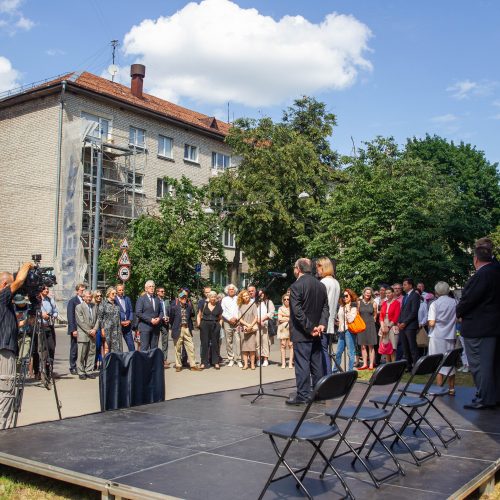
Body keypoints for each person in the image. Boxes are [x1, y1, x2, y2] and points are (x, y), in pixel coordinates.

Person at [456, 238, 500, 410]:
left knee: (480, 365)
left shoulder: (482, 275)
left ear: (475, 259)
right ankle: (493, 396)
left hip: (479, 328)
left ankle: (485, 397)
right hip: (492, 327)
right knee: (492, 365)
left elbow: (469, 300)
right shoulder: (496, 270)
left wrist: (459, 312)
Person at [288, 258, 329, 405]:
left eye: (294, 267)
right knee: (316, 364)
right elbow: (326, 308)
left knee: (302, 364)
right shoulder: (320, 285)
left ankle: (303, 395)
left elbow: (297, 312)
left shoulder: (296, 286)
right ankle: (318, 394)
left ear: (298, 269)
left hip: (303, 332)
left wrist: (310, 328)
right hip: (317, 331)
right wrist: (321, 325)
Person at [0, 262, 32, 429]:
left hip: (4, 349)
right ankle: (3, 431)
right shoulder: (1, 296)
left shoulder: (4, 304)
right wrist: (28, 265)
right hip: (4, 353)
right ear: (5, 285)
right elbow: (18, 281)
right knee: (6, 393)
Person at [427, 281, 458, 395]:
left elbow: (431, 323)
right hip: (450, 335)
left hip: (437, 336)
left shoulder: (434, 304)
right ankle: (451, 388)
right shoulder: (455, 302)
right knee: (450, 362)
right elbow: (459, 319)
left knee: (437, 362)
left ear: (436, 291)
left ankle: (439, 388)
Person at [316, 257, 340, 375]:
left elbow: (320, 303)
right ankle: (328, 375)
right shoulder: (336, 282)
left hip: (322, 321)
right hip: (330, 322)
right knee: (326, 350)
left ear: (323, 267)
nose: (317, 270)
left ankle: (327, 376)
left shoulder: (324, 282)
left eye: (318, 267)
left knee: (322, 351)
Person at [169, 290, 201, 372]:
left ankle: (193, 365)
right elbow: (171, 319)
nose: (184, 299)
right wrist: (175, 326)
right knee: (178, 348)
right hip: (178, 328)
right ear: (179, 298)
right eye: (182, 297)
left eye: (185, 297)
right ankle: (178, 365)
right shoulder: (174, 307)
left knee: (191, 347)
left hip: (187, 328)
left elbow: (191, 316)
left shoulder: (189, 307)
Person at [75, 291, 99, 379]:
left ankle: (89, 370)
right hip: (84, 334)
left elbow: (98, 319)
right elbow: (80, 322)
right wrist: (90, 331)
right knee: (81, 354)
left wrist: (95, 329)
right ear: (83, 297)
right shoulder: (79, 307)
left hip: (93, 333)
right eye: (87, 297)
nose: (89, 298)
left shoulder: (94, 306)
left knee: (91, 353)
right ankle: (81, 372)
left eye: (90, 297)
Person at [397, 278, 421, 370]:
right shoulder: (405, 296)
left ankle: (417, 366)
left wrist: (405, 323)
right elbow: (402, 311)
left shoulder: (415, 295)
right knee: (405, 347)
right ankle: (408, 365)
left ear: (410, 285)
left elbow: (414, 312)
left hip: (410, 326)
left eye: (405, 284)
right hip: (403, 326)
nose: (403, 286)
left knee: (412, 347)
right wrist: (399, 322)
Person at [36, 285, 58, 380]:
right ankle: (41, 370)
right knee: (42, 350)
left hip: (49, 326)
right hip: (40, 327)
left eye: (48, 288)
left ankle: (50, 370)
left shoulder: (50, 300)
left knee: (51, 348)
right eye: (45, 288)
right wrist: (41, 314)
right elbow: (33, 312)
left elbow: (55, 311)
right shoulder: (37, 300)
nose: (47, 290)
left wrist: (52, 315)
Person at [197, 291, 223, 369]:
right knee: (205, 344)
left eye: (214, 297)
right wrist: (199, 324)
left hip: (215, 325)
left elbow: (221, 318)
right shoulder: (204, 304)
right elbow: (199, 315)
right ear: (209, 297)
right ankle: (203, 362)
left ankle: (215, 362)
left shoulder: (218, 306)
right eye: (211, 297)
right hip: (204, 324)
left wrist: (219, 326)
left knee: (215, 344)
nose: (213, 298)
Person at [135, 280, 163, 351]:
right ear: (146, 289)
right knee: (144, 349)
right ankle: (143, 362)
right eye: (150, 286)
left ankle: (153, 362)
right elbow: (138, 313)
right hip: (145, 328)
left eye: (153, 286)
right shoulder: (141, 299)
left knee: (154, 349)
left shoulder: (157, 299)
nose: (152, 288)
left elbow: (161, 311)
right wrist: (150, 320)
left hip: (155, 328)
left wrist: (159, 319)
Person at [335, 289, 358, 372]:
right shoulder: (341, 306)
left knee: (350, 352)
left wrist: (348, 309)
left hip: (349, 331)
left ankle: (350, 371)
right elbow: (340, 319)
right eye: (343, 296)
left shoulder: (353, 307)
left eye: (346, 296)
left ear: (351, 296)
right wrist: (337, 322)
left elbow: (351, 319)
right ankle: (334, 370)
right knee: (338, 352)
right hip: (341, 330)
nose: (344, 298)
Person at [67, 283, 86, 375]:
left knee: (84, 348)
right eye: (82, 290)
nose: (83, 292)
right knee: (74, 348)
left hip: (85, 329)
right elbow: (71, 316)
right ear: (77, 291)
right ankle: (73, 366)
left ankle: (82, 366)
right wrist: (73, 329)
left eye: (84, 290)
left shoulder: (86, 301)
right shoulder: (73, 301)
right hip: (76, 329)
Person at [357, 287, 378, 370]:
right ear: (364, 293)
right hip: (362, 326)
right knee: (363, 346)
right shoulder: (359, 302)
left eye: (369, 293)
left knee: (371, 346)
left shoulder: (374, 303)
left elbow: (375, 315)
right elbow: (358, 314)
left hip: (370, 325)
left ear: (371, 294)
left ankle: (371, 364)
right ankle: (365, 364)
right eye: (366, 293)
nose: (368, 294)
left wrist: (373, 320)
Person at [378, 286, 400, 362]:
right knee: (386, 348)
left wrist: (388, 326)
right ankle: (388, 365)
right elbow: (381, 316)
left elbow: (396, 317)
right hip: (384, 324)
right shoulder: (384, 303)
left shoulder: (397, 303)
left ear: (393, 293)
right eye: (386, 293)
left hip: (392, 326)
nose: (387, 294)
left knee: (393, 348)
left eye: (389, 293)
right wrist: (382, 326)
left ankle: (393, 365)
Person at [221, 284, 241, 367]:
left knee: (238, 340)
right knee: (229, 341)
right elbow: (223, 311)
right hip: (227, 322)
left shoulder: (239, 298)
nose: (231, 290)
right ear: (227, 291)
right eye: (230, 289)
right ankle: (231, 359)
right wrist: (230, 319)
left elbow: (241, 309)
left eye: (233, 289)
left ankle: (239, 359)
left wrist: (236, 318)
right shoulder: (224, 299)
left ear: (235, 290)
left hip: (238, 322)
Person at [237, 289, 257, 370]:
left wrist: (251, 325)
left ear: (249, 296)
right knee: (244, 348)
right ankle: (245, 364)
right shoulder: (240, 305)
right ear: (242, 297)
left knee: (252, 348)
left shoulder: (253, 305)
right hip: (244, 328)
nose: (246, 297)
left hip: (251, 329)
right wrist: (247, 325)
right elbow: (240, 318)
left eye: (247, 295)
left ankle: (252, 364)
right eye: (244, 296)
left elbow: (256, 317)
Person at [99, 287, 122, 354]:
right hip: (107, 330)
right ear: (108, 294)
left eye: (116, 293)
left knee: (116, 348)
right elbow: (100, 318)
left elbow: (118, 317)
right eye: (113, 293)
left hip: (116, 330)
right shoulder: (103, 303)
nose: (115, 295)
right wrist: (102, 329)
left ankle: (115, 364)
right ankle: (106, 363)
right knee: (106, 348)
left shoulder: (117, 304)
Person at [255, 290, 275, 367]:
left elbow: (271, 312)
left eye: (262, 293)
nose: (261, 294)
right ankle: (259, 359)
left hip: (266, 325)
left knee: (265, 342)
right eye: (259, 293)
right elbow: (253, 313)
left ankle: (266, 359)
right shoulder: (255, 303)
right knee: (257, 343)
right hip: (256, 325)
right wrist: (258, 320)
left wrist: (262, 319)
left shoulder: (269, 302)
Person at [115, 284, 134, 352]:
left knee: (131, 345)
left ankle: (132, 360)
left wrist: (129, 320)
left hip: (128, 325)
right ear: (116, 291)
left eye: (122, 290)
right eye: (119, 290)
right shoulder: (114, 300)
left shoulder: (127, 299)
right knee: (118, 345)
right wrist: (120, 322)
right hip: (119, 325)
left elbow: (131, 311)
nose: (121, 291)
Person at [277, 293, 293, 369]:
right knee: (283, 345)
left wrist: (285, 316)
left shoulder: (293, 308)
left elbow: (294, 319)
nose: (286, 300)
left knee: (291, 345)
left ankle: (290, 363)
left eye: (288, 299)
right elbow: (279, 319)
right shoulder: (280, 308)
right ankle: (283, 363)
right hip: (282, 329)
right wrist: (289, 317)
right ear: (282, 300)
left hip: (291, 329)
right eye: (285, 299)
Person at [156, 286, 170, 368]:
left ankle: (164, 359)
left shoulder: (166, 301)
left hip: (165, 323)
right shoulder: (155, 300)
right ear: (157, 292)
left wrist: (168, 317)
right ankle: (157, 359)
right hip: (157, 323)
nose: (163, 293)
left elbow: (168, 311)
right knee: (156, 341)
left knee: (165, 342)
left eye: (164, 291)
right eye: (161, 291)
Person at [92, 290, 104, 369]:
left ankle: (101, 363)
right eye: (97, 296)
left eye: (100, 296)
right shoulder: (93, 305)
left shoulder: (103, 305)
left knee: (102, 346)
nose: (99, 297)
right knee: (97, 347)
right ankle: (96, 363)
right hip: (96, 329)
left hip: (103, 328)